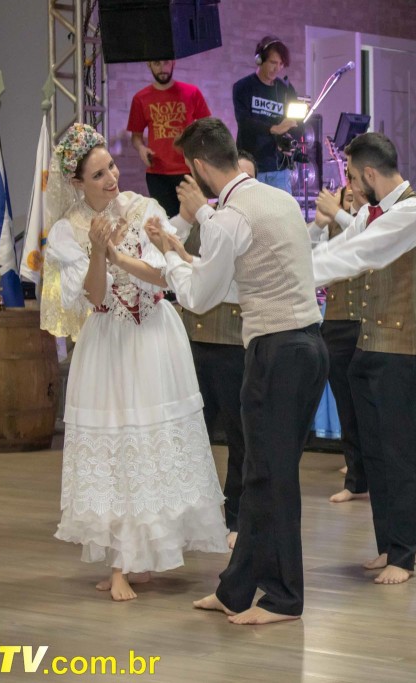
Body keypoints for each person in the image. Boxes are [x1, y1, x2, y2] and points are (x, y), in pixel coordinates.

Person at [149, 117, 327, 625]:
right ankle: (236, 589)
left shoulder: (231, 218)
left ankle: (285, 598)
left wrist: (169, 257)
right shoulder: (278, 199)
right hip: (307, 347)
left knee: (270, 478)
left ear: (198, 166)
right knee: (261, 475)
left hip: (277, 352)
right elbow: (236, 281)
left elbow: (198, 297)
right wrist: (183, 253)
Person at [44, 123, 227, 602]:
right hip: (109, 341)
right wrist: (98, 253)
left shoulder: (143, 208)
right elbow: (93, 296)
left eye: (111, 167)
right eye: (98, 174)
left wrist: (120, 256)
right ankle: (121, 562)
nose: (111, 179)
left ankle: (140, 556)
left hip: (154, 338)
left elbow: (166, 275)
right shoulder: (66, 231)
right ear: (77, 182)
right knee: (118, 442)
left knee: (150, 442)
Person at [310, 132, 416, 585]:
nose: (349, 183)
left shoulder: (414, 212)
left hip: (403, 350)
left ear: (366, 173)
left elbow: (359, 254)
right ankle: (387, 546)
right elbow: (337, 249)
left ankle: (405, 554)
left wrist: (296, 275)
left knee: (401, 455)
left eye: (350, 174)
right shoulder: (368, 212)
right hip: (369, 346)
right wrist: (293, 267)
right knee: (376, 453)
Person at [173, 149, 258, 550]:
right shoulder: (199, 218)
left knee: (240, 437)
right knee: (191, 435)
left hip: (234, 342)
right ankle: (190, 518)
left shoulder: (247, 221)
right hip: (191, 342)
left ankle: (238, 516)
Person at [311, 185, 369, 503]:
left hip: (367, 321)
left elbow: (365, 240)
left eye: (358, 196)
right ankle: (356, 480)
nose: (352, 201)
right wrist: (323, 221)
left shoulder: (374, 222)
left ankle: (379, 475)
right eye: (347, 197)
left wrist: (338, 214)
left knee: (370, 404)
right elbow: (313, 266)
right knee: (346, 405)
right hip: (336, 321)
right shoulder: (333, 225)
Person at [126, 60, 211, 217]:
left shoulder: (191, 92)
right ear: (149, 65)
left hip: (189, 170)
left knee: (195, 220)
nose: (162, 68)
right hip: (157, 174)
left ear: (173, 63)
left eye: (166, 63)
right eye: (157, 64)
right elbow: (136, 137)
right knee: (166, 222)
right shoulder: (140, 98)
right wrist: (141, 149)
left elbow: (208, 127)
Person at [232, 36, 299, 193]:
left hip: (279, 168)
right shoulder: (243, 87)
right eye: (273, 63)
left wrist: (290, 141)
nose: (277, 69)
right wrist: (274, 128)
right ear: (259, 60)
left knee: (282, 208)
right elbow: (244, 121)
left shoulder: (286, 89)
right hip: (251, 166)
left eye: (281, 64)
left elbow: (296, 122)